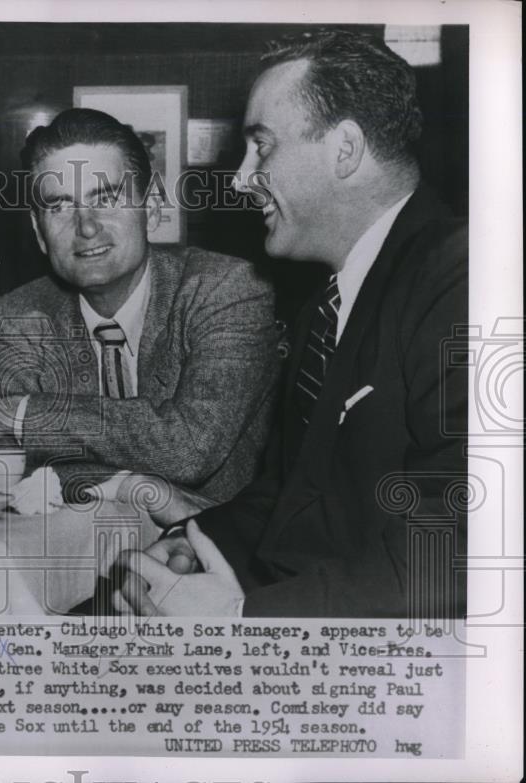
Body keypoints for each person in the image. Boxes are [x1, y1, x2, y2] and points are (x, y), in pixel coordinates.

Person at [114, 30, 468, 618]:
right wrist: (194, 544)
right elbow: (293, 492)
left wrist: (243, 622)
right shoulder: (324, 304)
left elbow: (465, 545)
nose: (239, 178)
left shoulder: (459, 277)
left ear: (345, 149)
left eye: (262, 147)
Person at [0, 108, 279, 505]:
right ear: (39, 232)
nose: (86, 226)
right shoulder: (20, 314)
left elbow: (190, 446)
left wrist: (20, 413)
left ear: (151, 207)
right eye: (60, 206)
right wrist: (128, 486)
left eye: (105, 198)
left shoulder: (225, 289)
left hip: (221, 550)